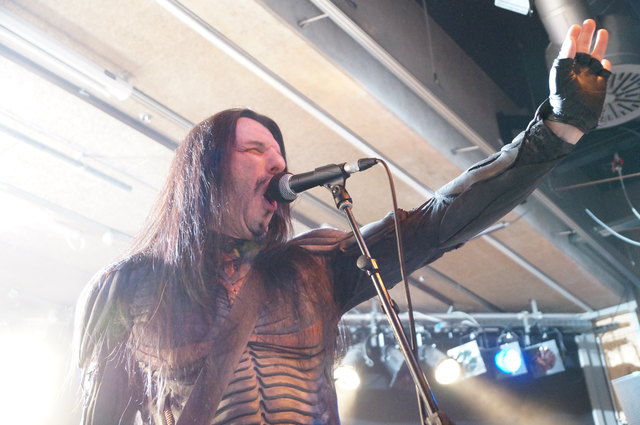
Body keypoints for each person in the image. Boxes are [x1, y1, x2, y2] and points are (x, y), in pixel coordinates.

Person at [75, 20, 611, 425]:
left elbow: (438, 222)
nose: (278, 165)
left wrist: (554, 131)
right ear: (203, 172)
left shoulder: (315, 267)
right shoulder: (125, 289)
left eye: (279, 154)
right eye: (255, 150)